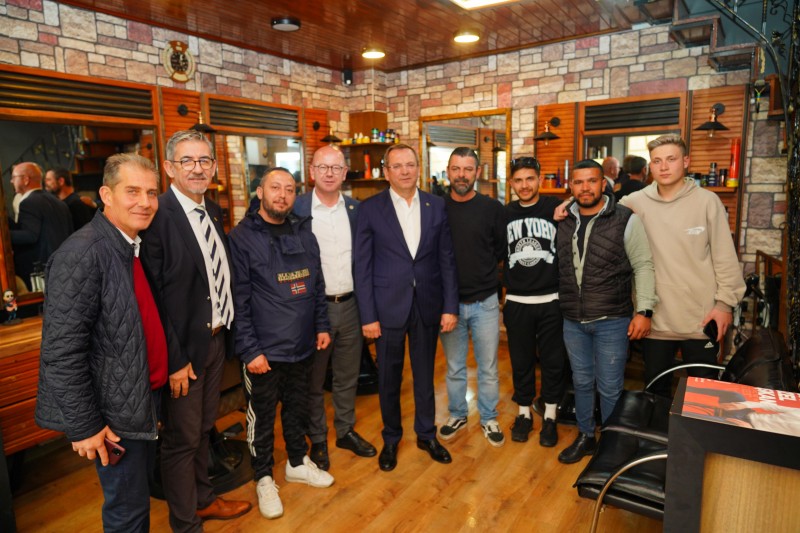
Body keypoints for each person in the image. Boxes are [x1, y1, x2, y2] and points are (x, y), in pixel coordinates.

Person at [35, 154, 167, 532]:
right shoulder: (83, 252)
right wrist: (85, 426)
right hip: (113, 416)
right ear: (106, 195)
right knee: (128, 513)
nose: (145, 202)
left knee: (137, 503)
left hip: (140, 398)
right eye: (133, 191)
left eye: (152, 193)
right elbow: (61, 352)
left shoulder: (129, 244)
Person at [141, 130, 251, 531]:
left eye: (204, 160)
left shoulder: (213, 210)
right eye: (187, 161)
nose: (197, 168)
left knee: (204, 429)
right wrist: (175, 360)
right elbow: (154, 299)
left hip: (215, 340)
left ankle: (204, 501)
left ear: (215, 167)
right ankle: (185, 522)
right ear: (169, 168)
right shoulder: (158, 217)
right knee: (181, 440)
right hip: (183, 352)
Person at [229, 168, 334, 520]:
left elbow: (316, 285)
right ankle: (263, 477)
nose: (282, 195)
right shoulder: (241, 237)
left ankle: (296, 462)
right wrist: (250, 350)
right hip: (264, 351)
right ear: (260, 192)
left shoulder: (304, 232)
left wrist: (321, 325)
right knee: (261, 419)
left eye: (289, 189)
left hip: (302, 344)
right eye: (275, 187)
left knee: (297, 409)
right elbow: (239, 301)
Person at [354, 143, 459, 471]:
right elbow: (362, 267)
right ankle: (391, 438)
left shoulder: (435, 205)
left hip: (427, 304)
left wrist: (450, 306)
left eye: (410, 164)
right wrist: (368, 316)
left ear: (418, 167)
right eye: (397, 166)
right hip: (387, 308)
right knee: (388, 377)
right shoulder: (369, 209)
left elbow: (446, 259)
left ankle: (426, 435)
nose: (404, 171)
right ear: (386, 172)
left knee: (425, 376)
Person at [620, 135, 745, 398]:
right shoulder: (635, 202)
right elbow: (598, 209)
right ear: (650, 167)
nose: (664, 167)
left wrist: (725, 305)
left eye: (671, 159)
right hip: (656, 320)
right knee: (655, 393)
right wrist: (566, 205)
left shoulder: (707, 201)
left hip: (702, 318)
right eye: (657, 161)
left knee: (705, 394)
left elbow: (725, 257)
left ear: (686, 161)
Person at [556, 159, 657, 464]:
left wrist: (644, 311)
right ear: (571, 186)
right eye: (578, 182)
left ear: (604, 184)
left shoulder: (626, 219)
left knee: (610, 387)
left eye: (591, 181)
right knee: (581, 382)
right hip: (573, 320)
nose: (585, 187)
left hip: (612, 319)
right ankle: (586, 436)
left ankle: (612, 446)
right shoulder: (564, 218)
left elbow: (643, 265)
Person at [293, 145, 376, 470]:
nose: (329, 173)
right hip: (314, 311)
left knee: (347, 375)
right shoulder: (296, 208)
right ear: (312, 171)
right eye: (323, 167)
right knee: (313, 382)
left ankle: (345, 430)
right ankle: (318, 439)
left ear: (344, 173)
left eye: (336, 167)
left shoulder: (357, 210)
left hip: (351, 305)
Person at [437, 147, 506, 447]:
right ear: (448, 172)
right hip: (448, 305)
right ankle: (457, 413)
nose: (461, 175)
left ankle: (489, 417)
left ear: (477, 172)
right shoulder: (437, 207)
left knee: (488, 367)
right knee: (454, 367)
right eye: (456, 169)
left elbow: (501, 250)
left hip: (485, 303)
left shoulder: (492, 209)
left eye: (468, 169)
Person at [502, 156, 568, 447]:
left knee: (553, 361)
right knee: (521, 361)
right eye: (518, 180)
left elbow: (597, 199)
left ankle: (550, 415)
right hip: (517, 300)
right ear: (511, 183)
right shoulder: (504, 214)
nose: (525, 185)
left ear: (540, 179)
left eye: (530, 178)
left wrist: (568, 205)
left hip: (551, 299)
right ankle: (524, 413)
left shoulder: (556, 207)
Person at [9, 162, 72, 290]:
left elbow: (30, 235)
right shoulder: (58, 201)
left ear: (26, 180)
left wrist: (4, 235)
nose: (11, 181)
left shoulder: (28, 203)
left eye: (14, 177)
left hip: (41, 272)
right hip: (66, 266)